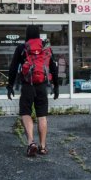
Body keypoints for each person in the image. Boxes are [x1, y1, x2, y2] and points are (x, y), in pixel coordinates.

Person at [7, 25, 59, 157]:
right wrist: (56, 86)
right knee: (42, 115)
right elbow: (53, 67)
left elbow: (13, 68)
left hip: (27, 86)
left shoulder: (22, 48)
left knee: (26, 112)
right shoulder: (45, 47)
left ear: (27, 34)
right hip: (42, 85)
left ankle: (31, 143)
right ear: (38, 34)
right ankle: (42, 146)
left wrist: (10, 86)